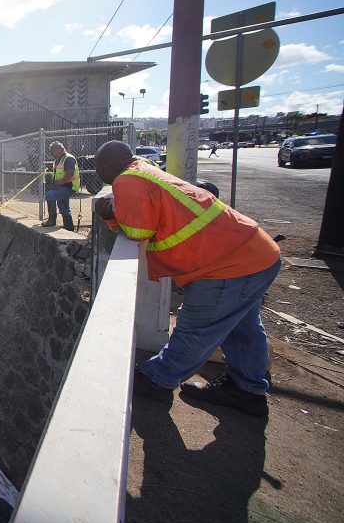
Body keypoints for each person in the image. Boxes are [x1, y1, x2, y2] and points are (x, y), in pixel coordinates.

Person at [94, 140, 281, 416]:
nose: (98, 173)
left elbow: (137, 231)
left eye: (98, 167)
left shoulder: (127, 181)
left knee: (196, 326)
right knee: (242, 327)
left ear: (108, 165)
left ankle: (158, 378)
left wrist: (109, 215)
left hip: (226, 266)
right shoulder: (144, 169)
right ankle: (248, 388)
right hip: (256, 253)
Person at [40, 141, 80, 231]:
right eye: (52, 152)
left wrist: (60, 183)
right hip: (63, 186)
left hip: (69, 186)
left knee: (50, 195)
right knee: (64, 207)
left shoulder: (68, 158)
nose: (53, 154)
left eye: (55, 151)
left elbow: (70, 173)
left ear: (61, 149)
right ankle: (69, 229)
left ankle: (52, 220)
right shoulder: (58, 160)